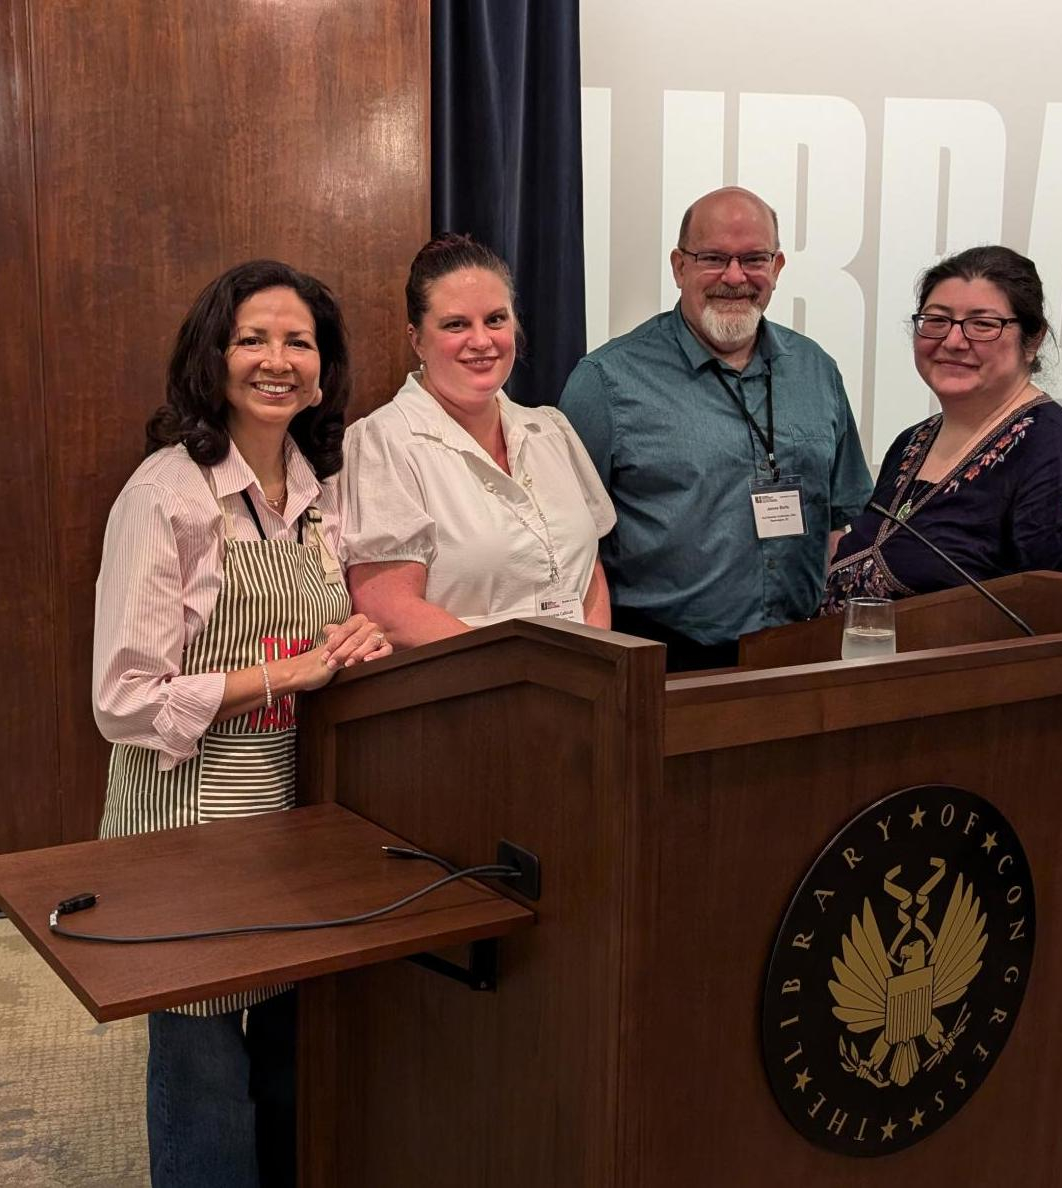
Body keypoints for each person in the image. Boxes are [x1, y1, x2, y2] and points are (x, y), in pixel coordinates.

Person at [91, 259, 392, 1188]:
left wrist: (351, 635)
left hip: (286, 815)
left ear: (324, 365)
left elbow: (314, 631)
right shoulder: (166, 495)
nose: (277, 360)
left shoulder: (318, 490)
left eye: (298, 341)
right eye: (252, 339)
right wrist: (279, 672)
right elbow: (123, 697)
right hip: (184, 824)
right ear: (211, 358)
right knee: (205, 1068)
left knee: (290, 1058)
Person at [558, 186, 872, 671]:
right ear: (679, 266)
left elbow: (837, 520)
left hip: (800, 653)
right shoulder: (605, 382)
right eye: (713, 258)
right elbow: (566, 545)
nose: (734, 277)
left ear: (778, 267)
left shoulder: (816, 370)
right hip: (663, 660)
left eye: (753, 259)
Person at [822, 245, 1062, 614]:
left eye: (983, 325)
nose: (954, 341)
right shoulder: (912, 442)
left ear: (1032, 339)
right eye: (937, 320)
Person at [340, 235, 615, 642]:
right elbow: (390, 610)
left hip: (578, 688)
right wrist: (522, 675)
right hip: (468, 692)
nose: (482, 341)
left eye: (495, 319)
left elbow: (588, 571)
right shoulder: (384, 442)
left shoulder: (551, 429)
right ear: (416, 338)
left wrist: (594, 667)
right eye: (456, 324)